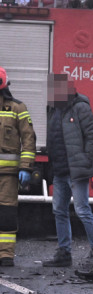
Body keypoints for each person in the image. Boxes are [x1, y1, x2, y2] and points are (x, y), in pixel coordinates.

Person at [42, 74, 93, 269]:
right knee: (59, 210)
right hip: (60, 169)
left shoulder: (80, 107)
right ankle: (64, 253)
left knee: (82, 210)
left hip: (76, 170)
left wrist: (86, 160)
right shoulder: (53, 109)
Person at [0, 66, 37, 267]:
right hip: (9, 174)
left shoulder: (17, 108)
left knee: (6, 214)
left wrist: (26, 167)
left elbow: (28, 139)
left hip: (8, 175)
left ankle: (5, 255)